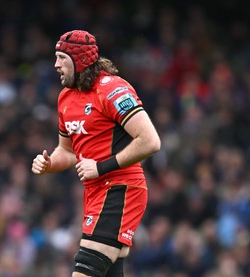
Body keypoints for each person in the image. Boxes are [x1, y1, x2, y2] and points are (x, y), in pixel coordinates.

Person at [31, 30, 161, 277]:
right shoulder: (65, 97)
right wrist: (49, 164)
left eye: (61, 58)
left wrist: (100, 167)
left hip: (121, 189)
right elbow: (67, 152)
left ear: (79, 60)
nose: (56, 64)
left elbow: (150, 141)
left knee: (84, 272)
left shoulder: (112, 89)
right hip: (95, 193)